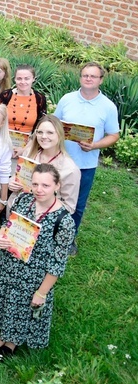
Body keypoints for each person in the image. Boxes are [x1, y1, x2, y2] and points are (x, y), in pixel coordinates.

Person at [0, 164, 76, 356]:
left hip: (33, 275)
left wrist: (41, 293)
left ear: (57, 186)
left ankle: (12, 342)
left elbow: (58, 263)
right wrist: (0, 237)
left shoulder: (64, 221)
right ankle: (1, 336)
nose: (39, 190)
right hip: (8, 262)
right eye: (36, 184)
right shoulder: (24, 200)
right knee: (7, 301)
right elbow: (8, 225)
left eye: (46, 185)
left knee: (21, 308)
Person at [54, 62, 119, 255]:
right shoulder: (67, 99)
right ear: (80, 77)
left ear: (101, 80)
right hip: (60, 159)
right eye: (85, 75)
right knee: (51, 196)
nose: (88, 78)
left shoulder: (108, 107)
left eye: (93, 76)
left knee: (77, 204)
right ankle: (47, 231)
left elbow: (114, 135)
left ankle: (68, 238)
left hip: (85, 165)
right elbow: (55, 123)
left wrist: (95, 145)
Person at [7, 115, 80, 215]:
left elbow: (69, 207)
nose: (44, 136)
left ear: (60, 135)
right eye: (40, 132)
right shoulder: (29, 153)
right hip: (16, 211)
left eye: (50, 132)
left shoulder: (70, 169)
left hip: (42, 219)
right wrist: (12, 182)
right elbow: (17, 176)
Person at [0, 64, 47, 151]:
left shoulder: (40, 99)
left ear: (33, 79)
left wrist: (25, 149)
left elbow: (41, 126)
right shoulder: (6, 95)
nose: (23, 82)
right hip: (2, 141)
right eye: (19, 78)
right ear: (15, 79)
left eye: (27, 78)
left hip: (27, 145)